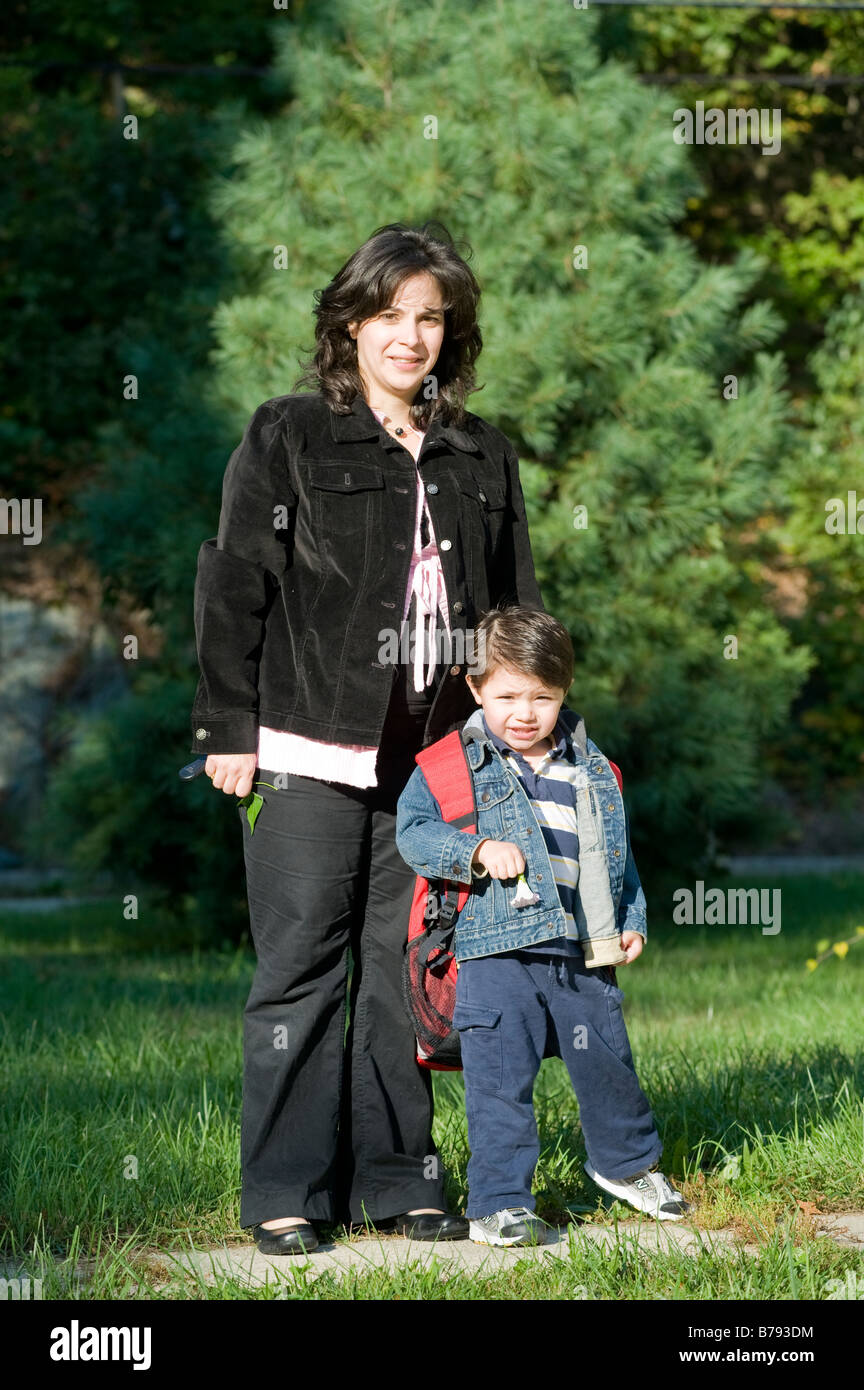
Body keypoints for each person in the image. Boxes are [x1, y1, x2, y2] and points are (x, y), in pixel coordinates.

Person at [189, 222, 545, 1253]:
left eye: (431, 317)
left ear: (453, 334)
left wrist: (514, 737)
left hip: (435, 761)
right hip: (306, 749)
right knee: (301, 966)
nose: (410, 335)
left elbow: (513, 606)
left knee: (408, 969)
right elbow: (234, 583)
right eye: (389, 314)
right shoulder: (289, 434)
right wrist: (227, 723)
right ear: (349, 324)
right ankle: (287, 1193)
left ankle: (403, 1180)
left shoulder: (483, 452)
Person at [395, 605, 689, 1246]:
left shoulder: (592, 769)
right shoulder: (449, 767)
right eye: (506, 696)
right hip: (495, 953)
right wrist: (471, 852)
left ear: (564, 694)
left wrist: (631, 919)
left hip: (581, 948)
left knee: (609, 1061)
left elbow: (618, 857)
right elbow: (412, 834)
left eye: (543, 697)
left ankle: (627, 1166)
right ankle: (500, 1203)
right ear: (475, 689)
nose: (524, 713)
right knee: (500, 1079)